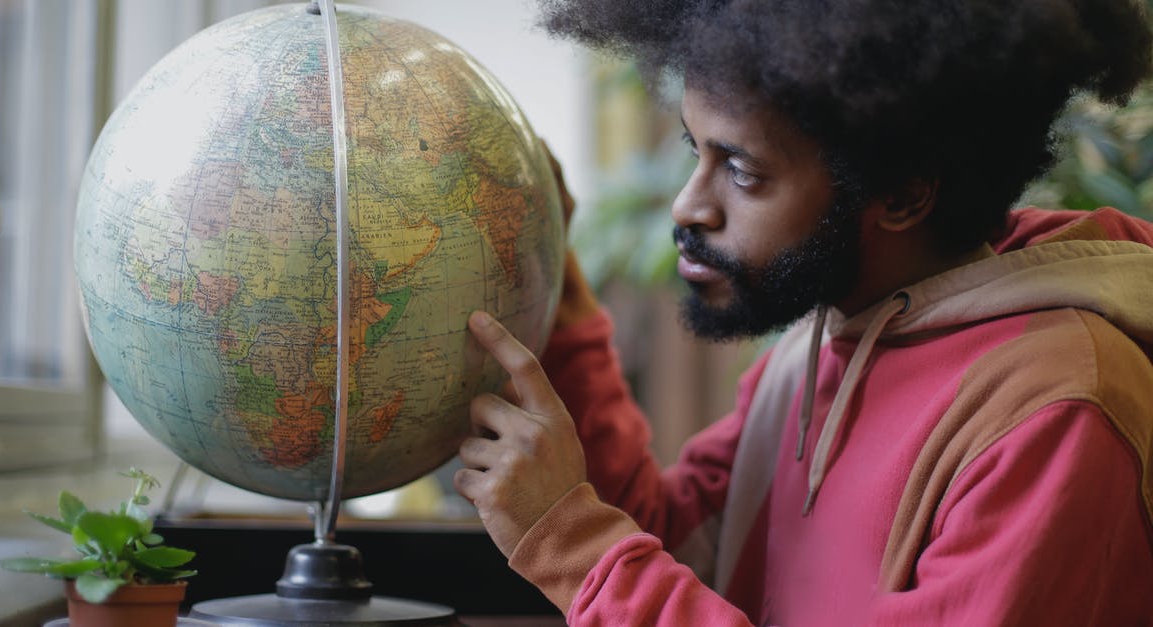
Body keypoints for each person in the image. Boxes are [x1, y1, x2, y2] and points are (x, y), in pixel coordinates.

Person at [453, 0, 1153, 624]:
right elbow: (673, 544)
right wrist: (560, 297)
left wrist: (573, 543)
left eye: (743, 171)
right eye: (697, 151)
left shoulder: (1059, 413)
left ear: (903, 196)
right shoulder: (816, 348)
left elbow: (609, 557)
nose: (688, 205)